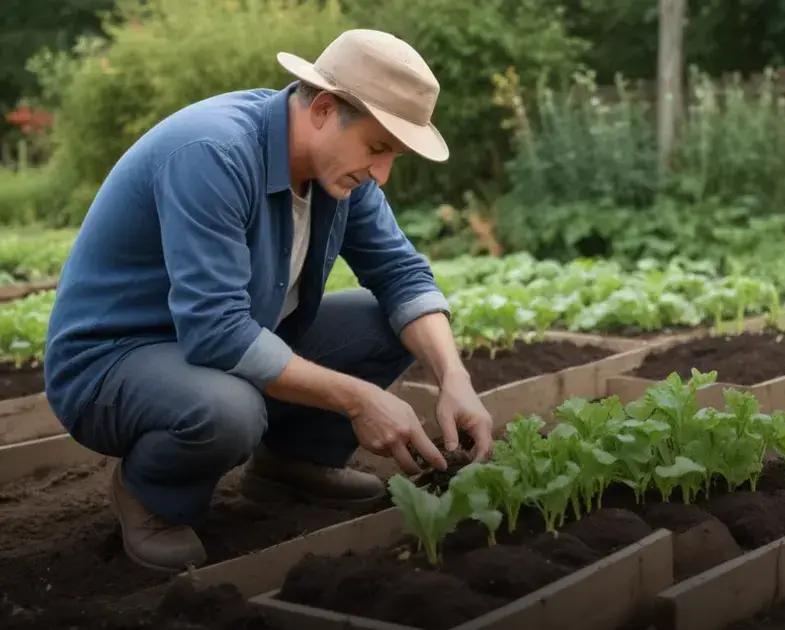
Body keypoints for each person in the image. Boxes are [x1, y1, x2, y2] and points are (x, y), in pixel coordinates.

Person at [43, 30, 493, 572]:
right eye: (377, 148)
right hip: (112, 361)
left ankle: (292, 462)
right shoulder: (214, 153)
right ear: (324, 108)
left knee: (388, 326)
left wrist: (454, 378)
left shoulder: (341, 177)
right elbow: (215, 330)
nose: (382, 173)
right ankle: (151, 496)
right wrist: (357, 399)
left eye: (392, 155)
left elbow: (401, 274)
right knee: (229, 409)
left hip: (217, 346)